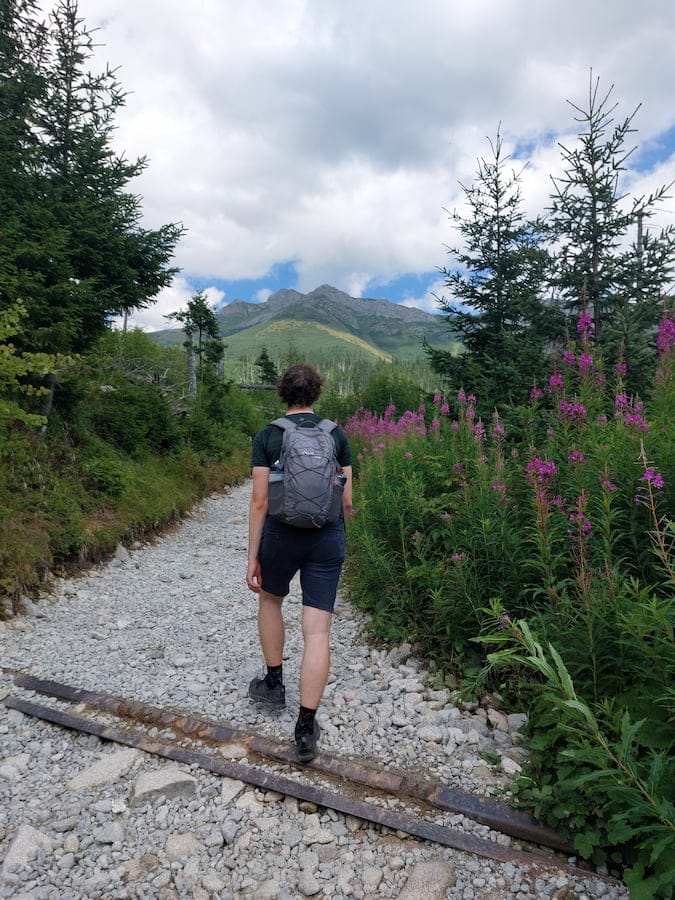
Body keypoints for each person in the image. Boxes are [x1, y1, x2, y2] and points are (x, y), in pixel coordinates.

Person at [246, 363, 353, 763]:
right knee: (317, 631)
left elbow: (259, 501)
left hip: (280, 535)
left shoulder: (268, 435)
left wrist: (252, 555)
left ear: (283, 393)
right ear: (316, 393)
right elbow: (346, 500)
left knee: (271, 600)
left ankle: (274, 683)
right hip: (326, 537)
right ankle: (306, 727)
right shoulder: (335, 434)